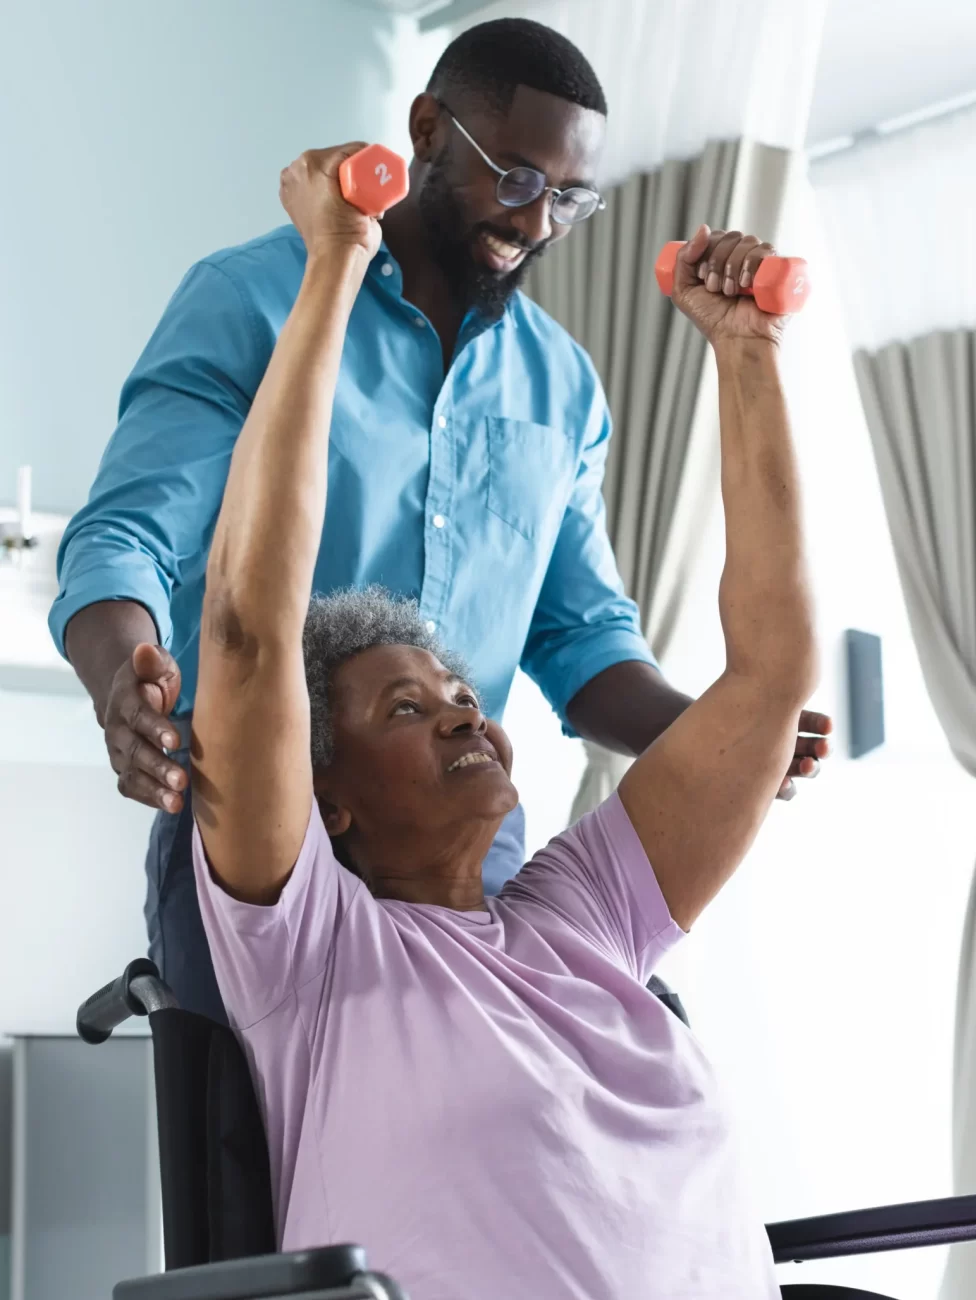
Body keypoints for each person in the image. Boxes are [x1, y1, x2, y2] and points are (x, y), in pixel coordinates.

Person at [50, 17, 829, 1025]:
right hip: (267, 832)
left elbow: (581, 643)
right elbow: (128, 540)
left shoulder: (563, 386)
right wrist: (124, 676)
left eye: (571, 199)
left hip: (463, 854)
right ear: (427, 130)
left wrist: (716, 739)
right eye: (515, 180)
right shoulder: (250, 299)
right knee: (274, 1171)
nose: (539, 223)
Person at [188, 135, 816, 1300]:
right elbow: (248, 629)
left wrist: (748, 356)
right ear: (328, 796)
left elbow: (768, 680)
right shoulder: (315, 952)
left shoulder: (588, 913)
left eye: (465, 695)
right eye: (408, 706)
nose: (461, 714)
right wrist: (335, 262)